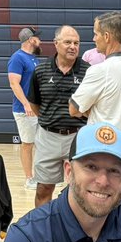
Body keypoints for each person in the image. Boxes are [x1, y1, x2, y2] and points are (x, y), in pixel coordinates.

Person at [26, 25, 89, 207]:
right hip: (48, 137)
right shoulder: (40, 71)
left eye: (76, 43)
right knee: (44, 189)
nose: (73, 46)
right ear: (55, 44)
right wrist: (51, 120)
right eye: (68, 42)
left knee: (80, 190)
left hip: (78, 137)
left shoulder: (89, 72)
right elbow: (34, 104)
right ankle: (43, 228)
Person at [70, 11, 121, 141]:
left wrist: (92, 109)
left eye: (96, 34)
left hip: (103, 149)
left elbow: (73, 109)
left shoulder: (99, 70)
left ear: (106, 37)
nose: (93, 39)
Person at [8, 26, 41, 189]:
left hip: (36, 109)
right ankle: (29, 178)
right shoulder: (17, 58)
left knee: (39, 142)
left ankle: (39, 175)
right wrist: (26, 104)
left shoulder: (33, 58)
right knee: (27, 143)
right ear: (30, 40)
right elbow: (14, 83)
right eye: (37, 37)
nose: (40, 40)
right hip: (24, 110)